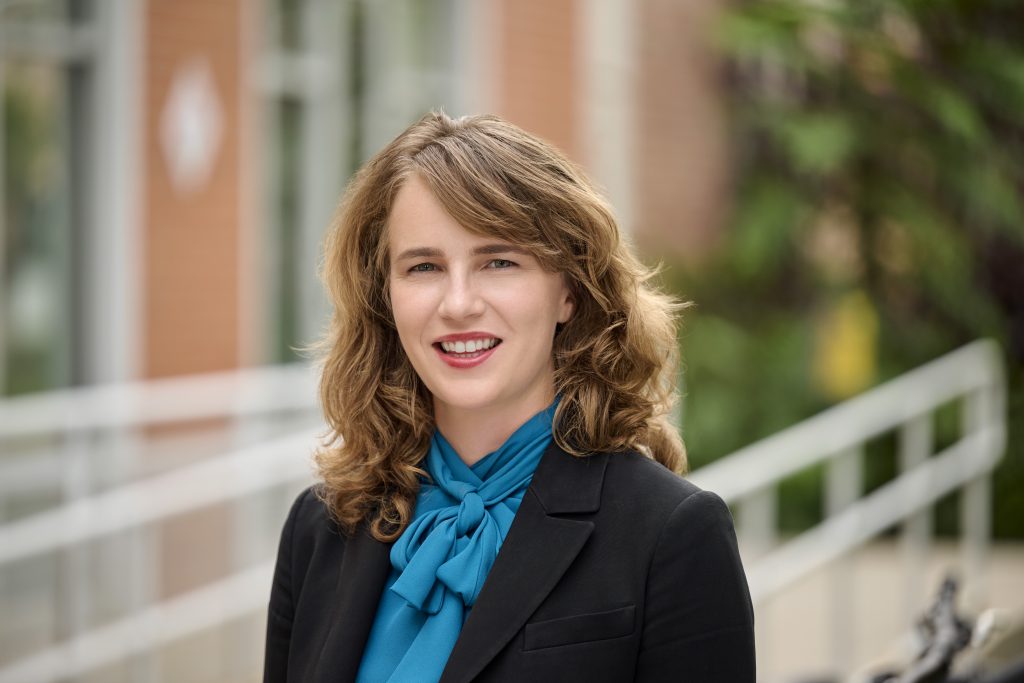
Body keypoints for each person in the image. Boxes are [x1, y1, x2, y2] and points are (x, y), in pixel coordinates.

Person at [263, 112, 755, 682]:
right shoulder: (320, 526)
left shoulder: (672, 534)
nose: (458, 303)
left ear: (569, 291)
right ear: (386, 299)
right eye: (423, 266)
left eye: (498, 261)